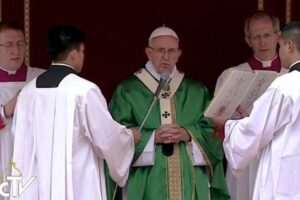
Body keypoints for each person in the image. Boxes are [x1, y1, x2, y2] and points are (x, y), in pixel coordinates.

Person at [10, 25, 135, 200]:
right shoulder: (84, 91)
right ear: (74, 53)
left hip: (35, 187)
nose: (83, 57)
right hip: (77, 186)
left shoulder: (28, 93)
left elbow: (19, 140)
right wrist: (128, 137)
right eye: (82, 51)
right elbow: (107, 139)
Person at [109, 26, 229, 200]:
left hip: (189, 177)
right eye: (160, 50)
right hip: (147, 180)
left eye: (171, 51)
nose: (166, 57)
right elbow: (115, 136)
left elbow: (212, 131)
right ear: (148, 52)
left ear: (179, 53)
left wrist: (188, 134)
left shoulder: (197, 91)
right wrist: (152, 138)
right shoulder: (128, 91)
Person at [211, 21, 300, 200]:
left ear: (289, 45)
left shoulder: (285, 85)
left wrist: (226, 124)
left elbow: (254, 130)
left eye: (280, 44)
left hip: (285, 173)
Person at [0, 21, 45, 192]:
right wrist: (4, 112)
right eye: (9, 45)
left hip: (32, 161)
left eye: (20, 44)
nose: (16, 51)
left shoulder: (41, 78)